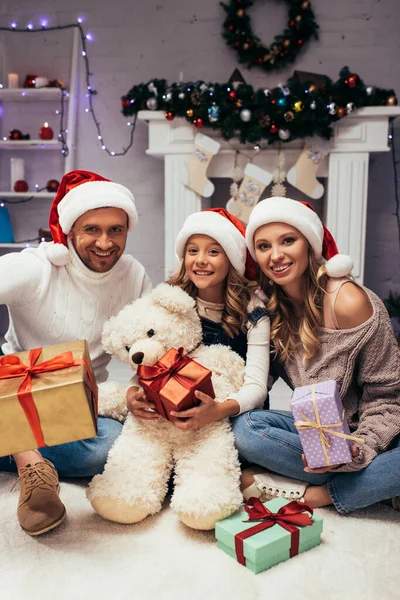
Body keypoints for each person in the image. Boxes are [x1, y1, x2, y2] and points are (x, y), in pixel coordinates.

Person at [0, 169, 152, 535]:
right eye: (92, 230)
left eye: (115, 229)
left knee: (111, 446)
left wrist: (135, 389)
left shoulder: (133, 274)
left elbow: (148, 346)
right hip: (12, 391)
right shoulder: (38, 267)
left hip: (75, 405)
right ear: (70, 232)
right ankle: (30, 464)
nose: (105, 242)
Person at [231, 196, 400, 515]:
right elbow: (255, 381)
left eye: (288, 241)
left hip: (379, 434)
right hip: (321, 437)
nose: (276, 255)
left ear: (309, 245)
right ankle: (374, 487)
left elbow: (388, 398)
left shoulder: (347, 301)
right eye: (264, 246)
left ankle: (314, 496)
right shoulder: (267, 310)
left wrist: (360, 448)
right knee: (246, 428)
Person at [126, 207, 271, 430]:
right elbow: (150, 361)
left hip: (234, 411)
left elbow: (257, 388)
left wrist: (217, 411)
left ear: (231, 258)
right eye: (193, 251)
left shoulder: (253, 312)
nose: (200, 260)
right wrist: (132, 391)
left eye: (213, 252)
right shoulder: (171, 301)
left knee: (247, 434)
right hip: (179, 406)